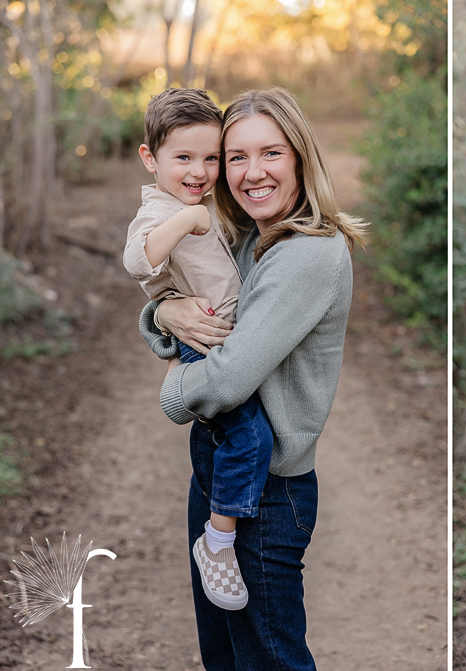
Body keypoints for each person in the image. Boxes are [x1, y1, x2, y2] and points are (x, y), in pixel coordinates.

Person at [138, 87, 367, 670]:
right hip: (214, 468)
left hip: (269, 494)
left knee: (269, 661)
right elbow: (187, 300)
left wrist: (171, 387)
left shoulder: (307, 255)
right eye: (235, 156)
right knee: (223, 656)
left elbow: (227, 379)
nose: (250, 171)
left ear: (299, 157)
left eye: (271, 153)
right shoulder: (245, 239)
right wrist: (162, 313)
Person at [123, 87, 273, 612]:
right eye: (183, 157)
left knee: (235, 437)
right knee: (249, 436)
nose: (200, 170)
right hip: (203, 344)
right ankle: (219, 539)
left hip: (220, 332)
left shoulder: (200, 203)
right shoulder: (161, 211)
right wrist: (185, 220)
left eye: (211, 158)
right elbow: (138, 261)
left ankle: (220, 529)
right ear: (151, 158)